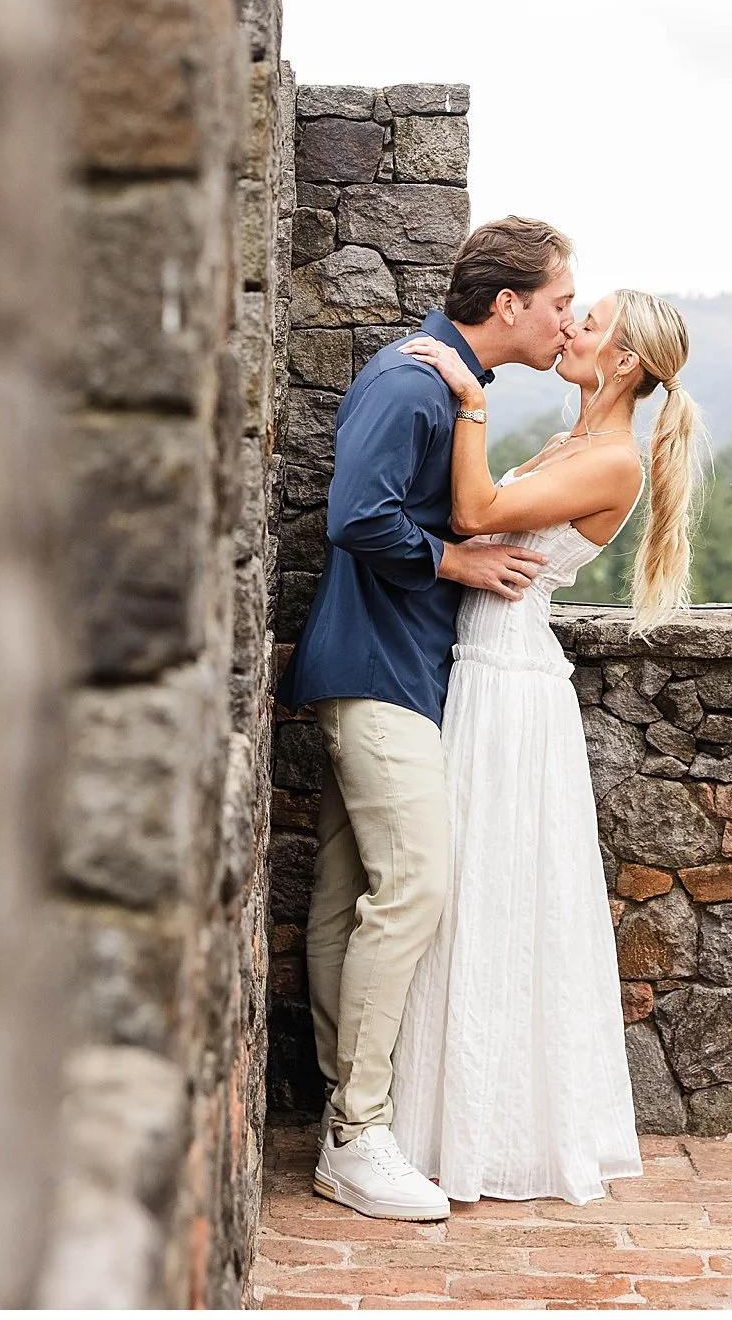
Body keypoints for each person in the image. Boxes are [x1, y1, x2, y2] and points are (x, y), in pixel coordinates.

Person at [277, 216, 579, 1222]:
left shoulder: (451, 381)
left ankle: (356, 1112)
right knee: (414, 884)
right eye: (559, 301)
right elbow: (356, 514)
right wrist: (461, 561)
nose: (566, 318)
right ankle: (360, 1133)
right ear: (509, 304)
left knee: (348, 888)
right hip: (372, 670)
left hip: (394, 668)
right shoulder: (414, 380)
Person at [390, 289, 702, 1204]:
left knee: (498, 896)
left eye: (591, 322)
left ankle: (498, 1137)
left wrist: (469, 397)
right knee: (465, 896)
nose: (572, 329)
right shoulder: (574, 443)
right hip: (480, 668)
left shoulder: (612, 461)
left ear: (628, 363)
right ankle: (448, 1120)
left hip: (512, 689)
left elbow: (480, 509)